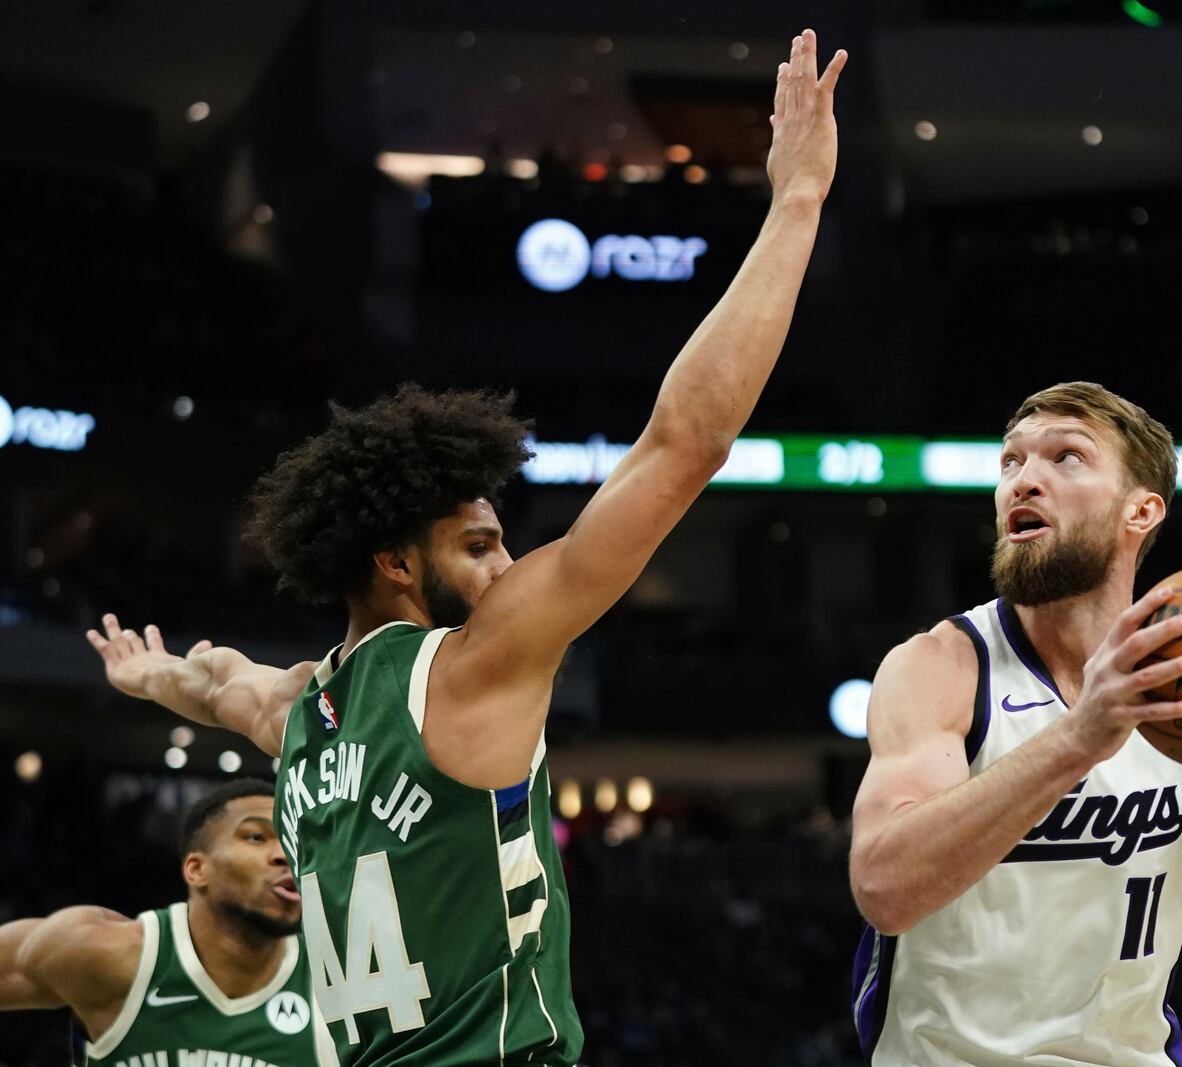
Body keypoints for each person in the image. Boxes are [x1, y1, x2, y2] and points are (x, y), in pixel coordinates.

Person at [80, 27, 846, 1067]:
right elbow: (685, 444)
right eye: (479, 543)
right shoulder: (475, 662)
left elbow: (218, 683)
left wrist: (150, 673)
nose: (503, 568)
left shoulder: (302, 714)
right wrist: (795, 202)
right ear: (397, 561)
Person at [847, 382, 1182, 1067]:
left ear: (1141, 510)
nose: (1025, 479)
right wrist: (1079, 737)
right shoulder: (943, 667)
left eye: (1065, 457)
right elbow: (883, 889)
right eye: (1011, 461)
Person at [0, 779, 331, 1067]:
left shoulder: (338, 987)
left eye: (291, 840)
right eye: (257, 837)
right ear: (196, 869)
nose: (284, 855)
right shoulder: (105, 953)